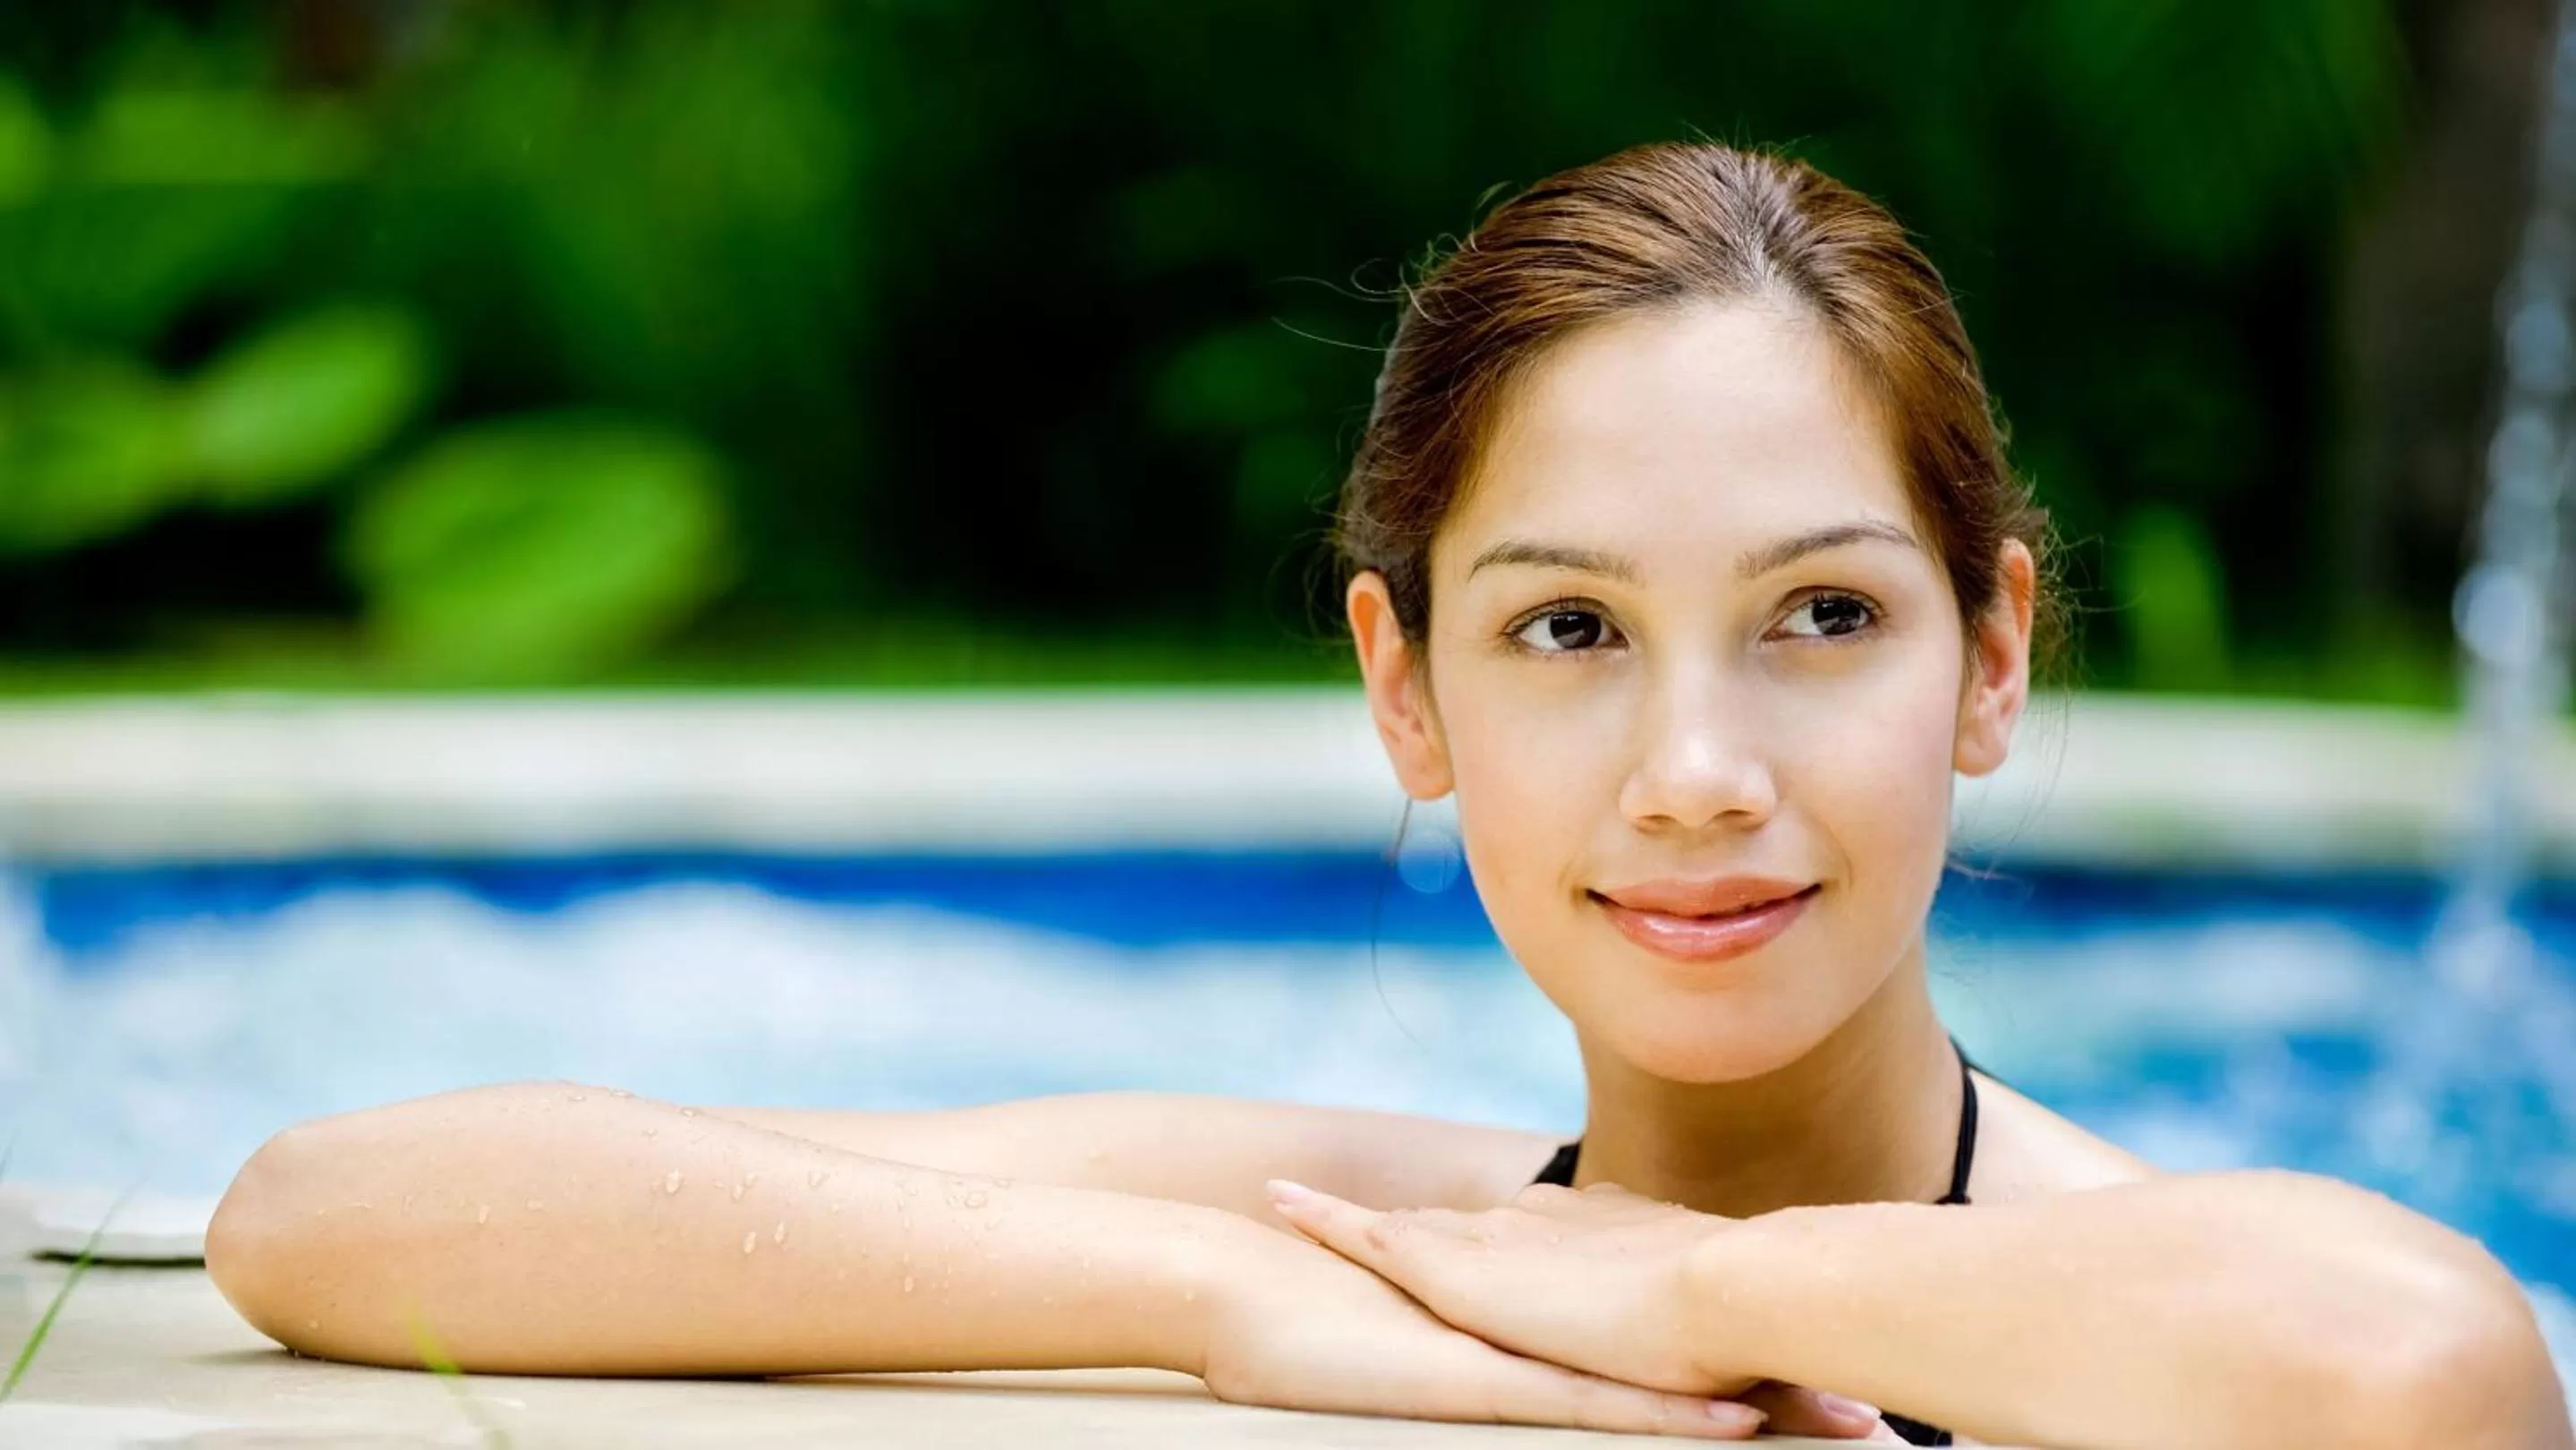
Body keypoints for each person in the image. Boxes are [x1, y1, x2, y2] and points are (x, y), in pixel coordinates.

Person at [204, 141, 2571, 1448]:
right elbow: (336, 1209)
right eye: (1563, 630)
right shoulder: (1374, 1225)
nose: (1695, 774)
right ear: (1403, 692)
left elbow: (2427, 1371)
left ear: (1995, 651)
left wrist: (1710, 1287)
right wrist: (1214, 1296)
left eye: (1824, 615)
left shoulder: (2157, 1303)